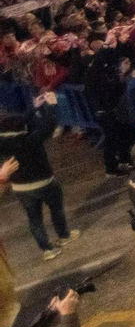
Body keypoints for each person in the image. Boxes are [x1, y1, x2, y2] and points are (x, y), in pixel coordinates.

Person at [0, 91, 78, 259]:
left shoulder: (3, 142)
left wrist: (32, 108)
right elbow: (49, 125)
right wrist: (51, 106)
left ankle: (46, 250)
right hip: (44, 181)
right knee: (56, 209)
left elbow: (17, 122)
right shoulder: (29, 140)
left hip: (21, 187)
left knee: (34, 219)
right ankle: (63, 235)